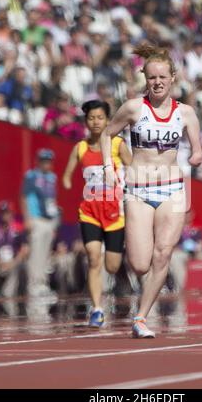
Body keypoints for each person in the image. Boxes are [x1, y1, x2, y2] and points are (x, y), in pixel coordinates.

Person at [100, 44, 202, 338]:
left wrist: (196, 156)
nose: (157, 82)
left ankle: (141, 318)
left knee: (163, 254)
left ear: (173, 78)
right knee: (141, 263)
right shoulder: (134, 108)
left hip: (172, 189)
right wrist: (109, 167)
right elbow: (108, 133)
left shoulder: (186, 113)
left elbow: (197, 151)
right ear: (145, 79)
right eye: (151, 78)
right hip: (138, 190)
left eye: (162, 77)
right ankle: (131, 282)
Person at [62, 100, 132, 327]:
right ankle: (97, 309)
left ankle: (121, 281)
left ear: (108, 121)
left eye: (100, 118)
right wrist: (66, 181)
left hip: (115, 213)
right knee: (93, 258)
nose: (95, 122)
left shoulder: (117, 144)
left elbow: (134, 168)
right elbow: (67, 173)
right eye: (91, 118)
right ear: (85, 121)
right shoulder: (80, 148)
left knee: (111, 265)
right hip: (90, 211)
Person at [21, 148, 60, 298]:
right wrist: (27, 219)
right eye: (43, 160)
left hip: (49, 220)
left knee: (45, 253)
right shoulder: (31, 176)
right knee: (36, 253)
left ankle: (43, 283)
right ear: (38, 161)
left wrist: (55, 220)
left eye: (48, 161)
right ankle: (34, 284)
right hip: (36, 219)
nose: (46, 163)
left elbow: (53, 200)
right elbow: (24, 197)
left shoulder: (52, 177)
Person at [0, 201, 29, 298]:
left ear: (12, 213)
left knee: (19, 265)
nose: (5, 215)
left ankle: (8, 293)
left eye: (7, 212)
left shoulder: (19, 228)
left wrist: (12, 263)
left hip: (14, 260)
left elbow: (24, 250)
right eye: (3, 212)